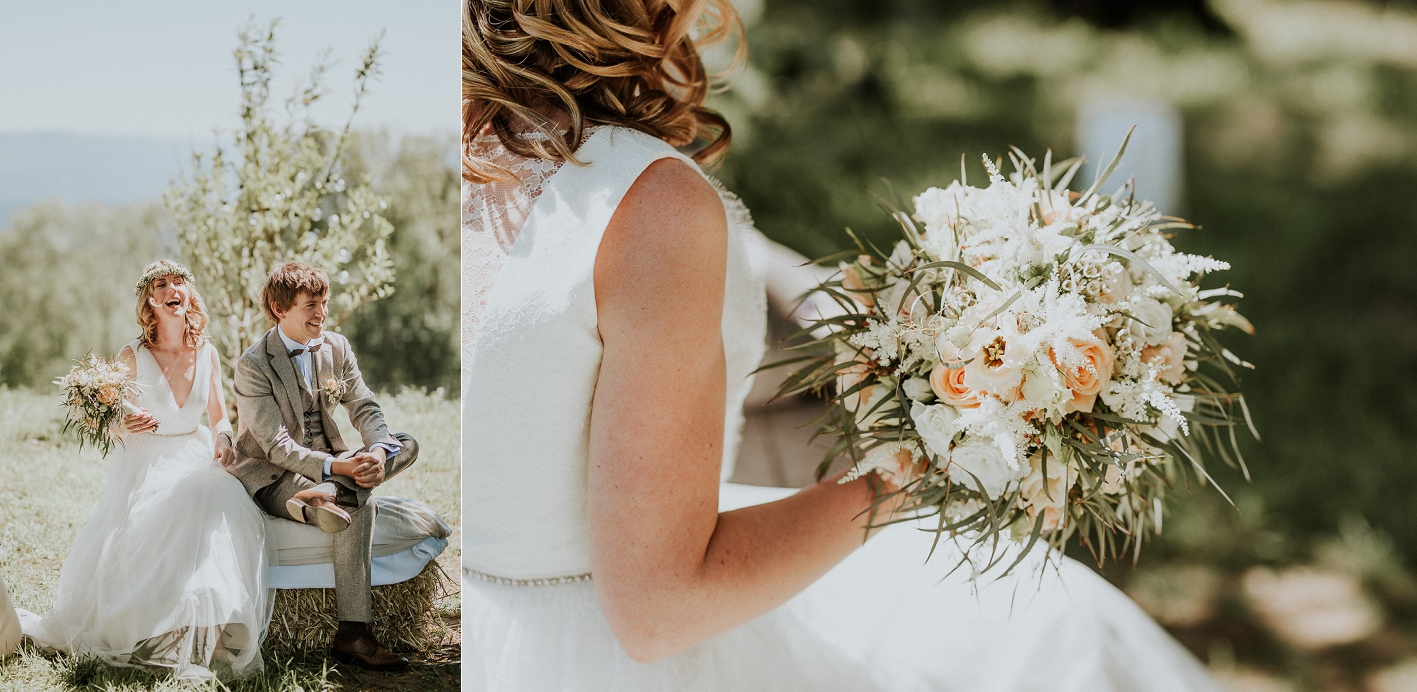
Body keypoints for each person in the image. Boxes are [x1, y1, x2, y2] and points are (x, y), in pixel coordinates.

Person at [460, 1, 1229, 690]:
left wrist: (844, 310)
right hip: (607, 656)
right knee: (1052, 636)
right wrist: (905, 474)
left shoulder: (453, 143)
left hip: (479, 629)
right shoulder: (650, 205)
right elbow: (659, 611)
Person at [19, 260, 273, 682]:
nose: (173, 289)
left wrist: (225, 439)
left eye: (179, 282)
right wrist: (123, 420)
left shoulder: (207, 352)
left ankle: (204, 633)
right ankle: (157, 631)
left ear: (189, 295)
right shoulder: (131, 355)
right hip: (145, 462)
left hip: (194, 454)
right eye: (162, 284)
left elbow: (219, 417)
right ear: (150, 301)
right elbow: (108, 417)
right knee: (156, 529)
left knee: (213, 505)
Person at [224, 260, 419, 672]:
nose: (322, 313)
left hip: (334, 466)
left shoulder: (337, 347)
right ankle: (353, 637)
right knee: (360, 505)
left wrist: (377, 454)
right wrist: (339, 467)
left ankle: (323, 498)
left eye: (325, 302)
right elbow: (276, 447)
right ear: (280, 309)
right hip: (274, 472)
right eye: (311, 304)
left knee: (407, 444)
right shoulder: (253, 365)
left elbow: (364, 405)